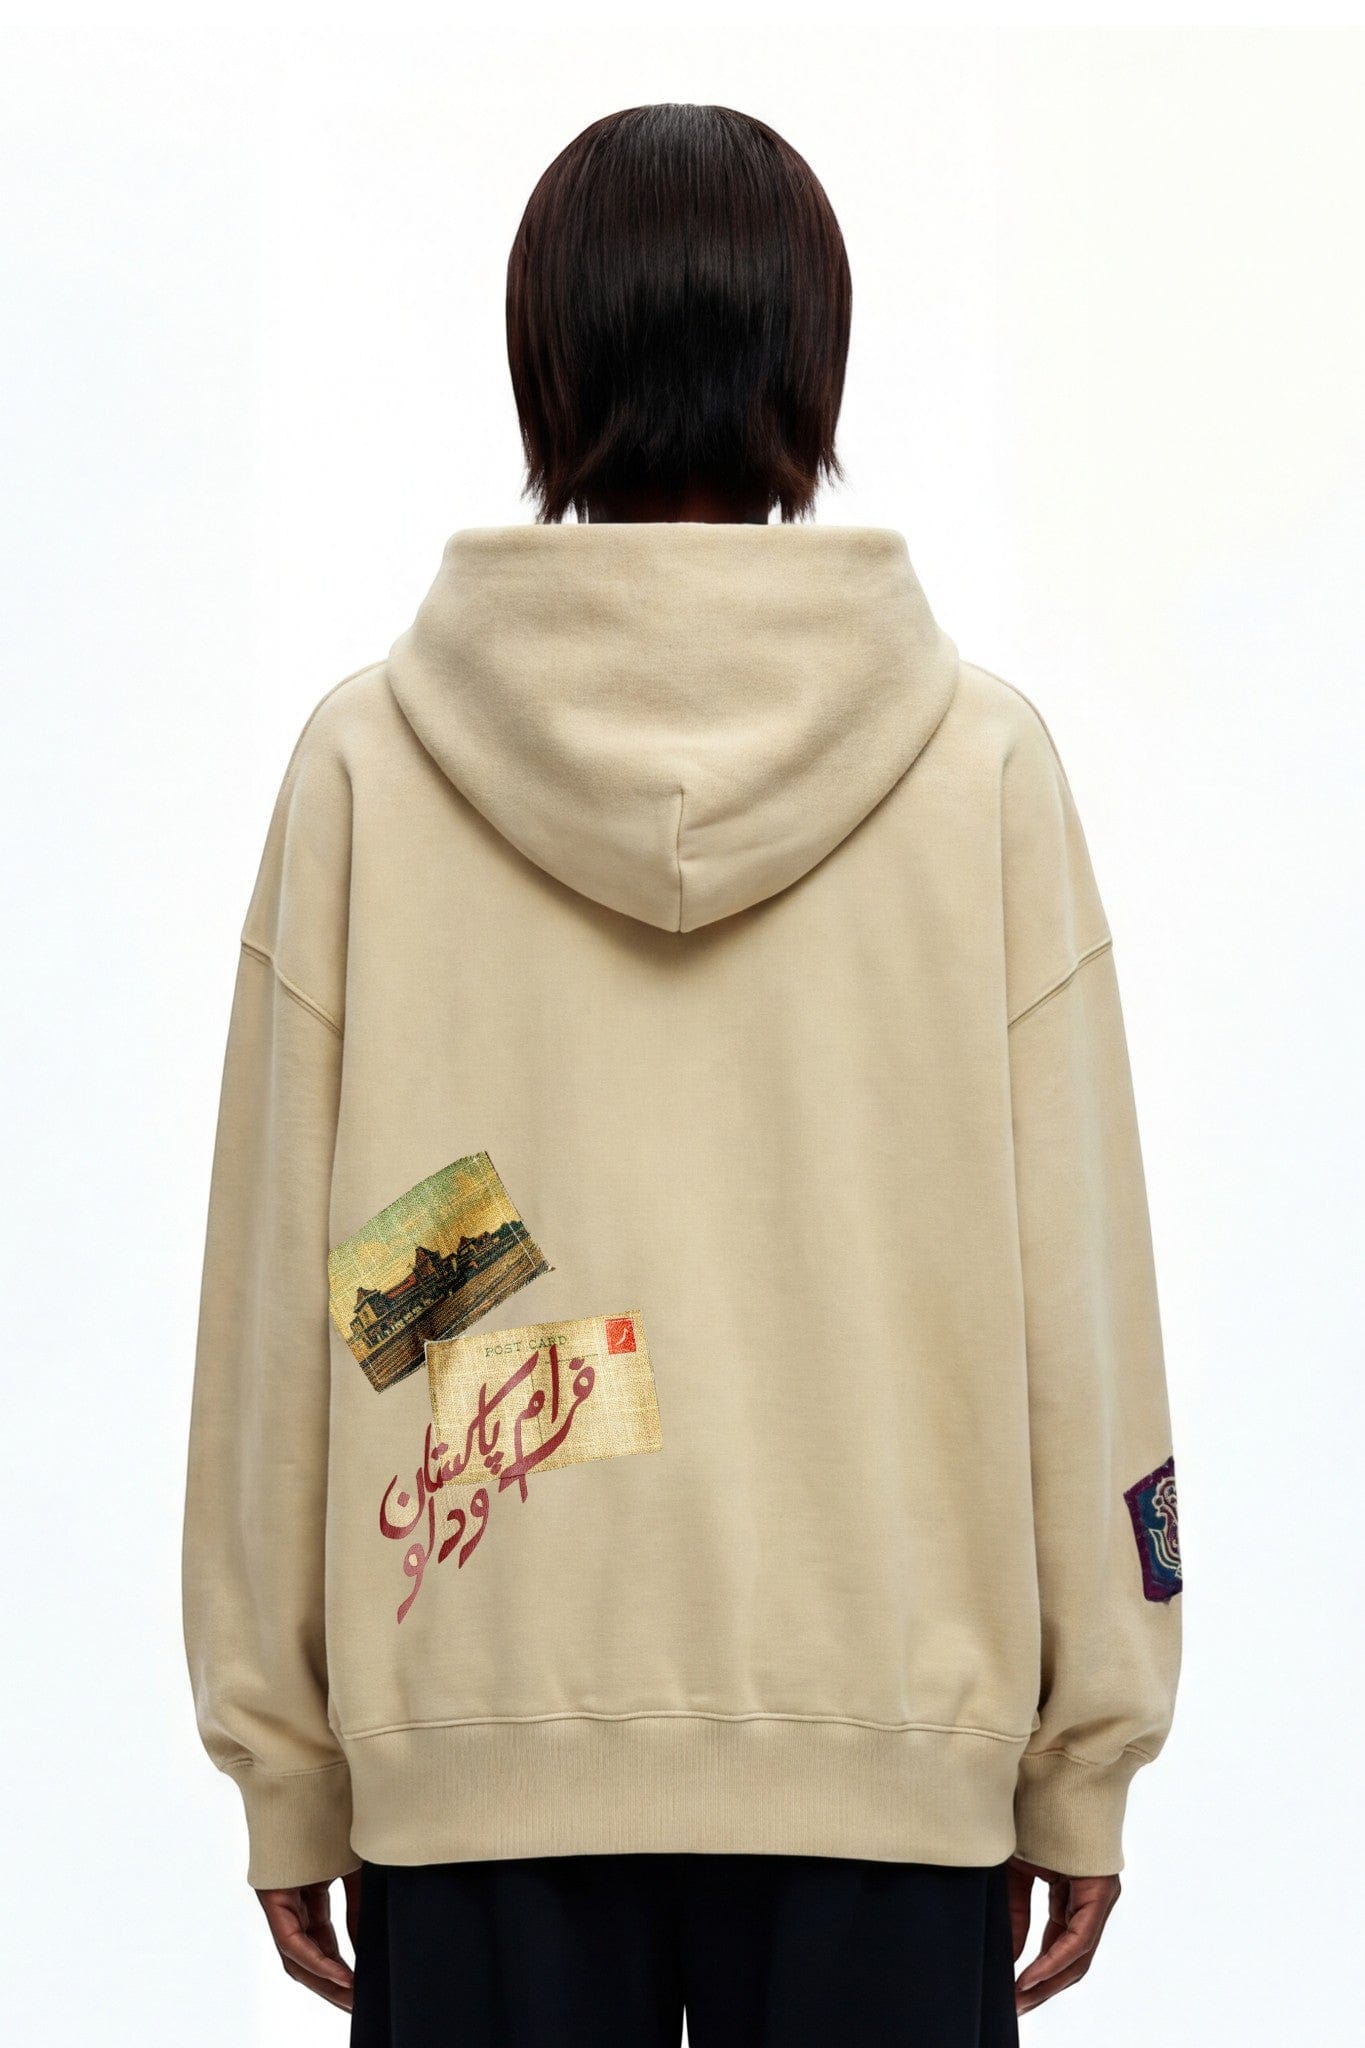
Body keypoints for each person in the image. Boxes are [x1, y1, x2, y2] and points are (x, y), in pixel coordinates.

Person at [181, 103, 1181, 2046]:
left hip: (476, 1742)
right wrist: (1089, 1749)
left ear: (543, 364)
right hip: (887, 1769)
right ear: (811, 364)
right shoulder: (974, 770)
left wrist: (282, 1754)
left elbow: (291, 1307)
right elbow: (1081, 1301)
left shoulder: (372, 770)